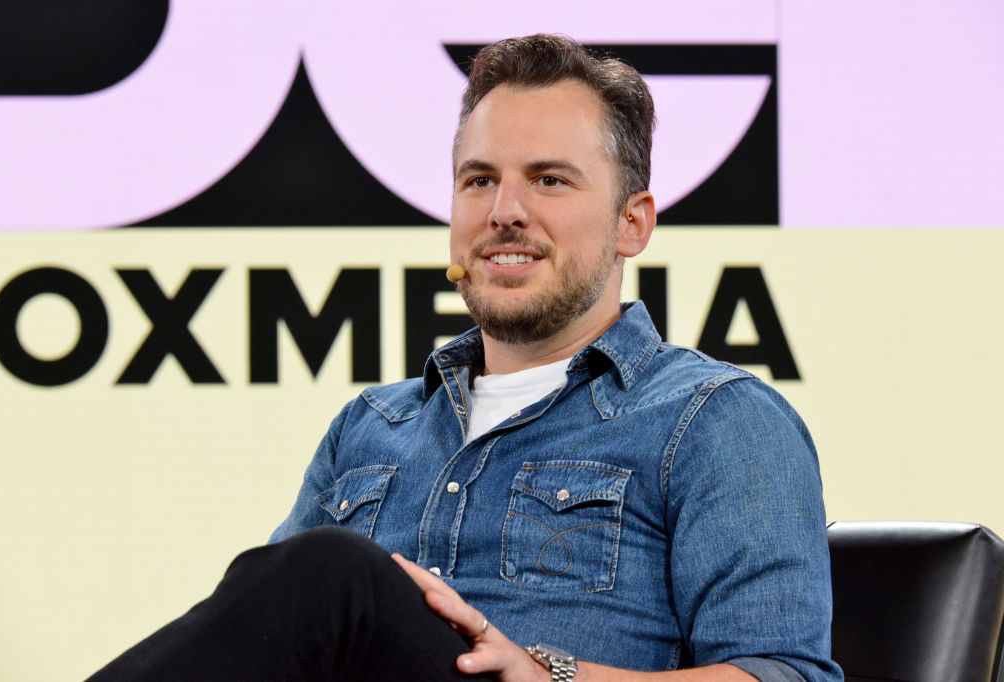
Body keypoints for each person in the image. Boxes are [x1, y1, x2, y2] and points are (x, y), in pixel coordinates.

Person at [88, 34, 842, 682]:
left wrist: (551, 674)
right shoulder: (372, 425)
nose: (503, 211)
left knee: (332, 573)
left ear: (631, 224)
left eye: (549, 180)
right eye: (479, 180)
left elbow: (785, 672)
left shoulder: (714, 419)